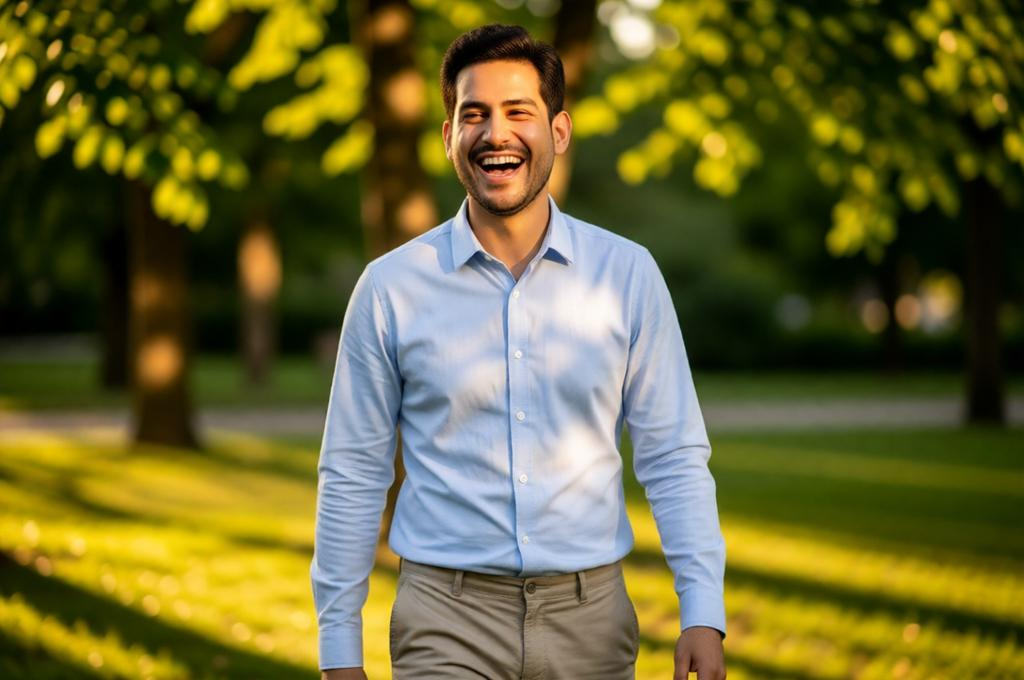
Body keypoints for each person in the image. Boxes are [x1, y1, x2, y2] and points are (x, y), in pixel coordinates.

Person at [312, 23, 727, 680]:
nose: (495, 133)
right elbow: (353, 473)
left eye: (518, 113)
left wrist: (702, 609)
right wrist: (338, 650)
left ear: (558, 133)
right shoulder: (390, 288)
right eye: (472, 114)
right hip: (444, 622)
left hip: (590, 622)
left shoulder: (627, 275)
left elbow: (672, 455)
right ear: (449, 136)